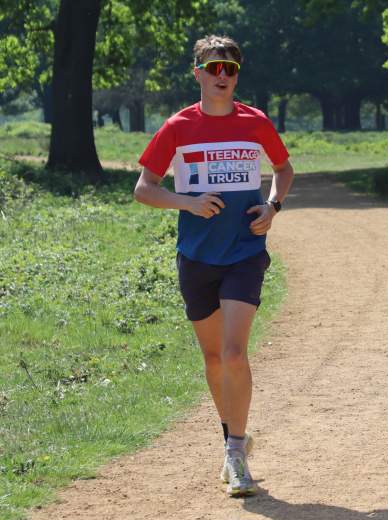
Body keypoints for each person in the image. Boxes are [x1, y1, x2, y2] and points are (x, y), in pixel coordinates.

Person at [133, 35, 294, 496]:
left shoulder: (254, 121)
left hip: (245, 251)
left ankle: (236, 453)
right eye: (213, 67)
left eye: (230, 68)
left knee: (234, 353)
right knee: (213, 358)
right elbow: (144, 189)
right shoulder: (178, 126)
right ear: (198, 73)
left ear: (237, 76)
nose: (222, 75)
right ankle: (231, 439)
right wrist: (188, 202)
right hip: (197, 256)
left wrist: (272, 206)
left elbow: (284, 170)